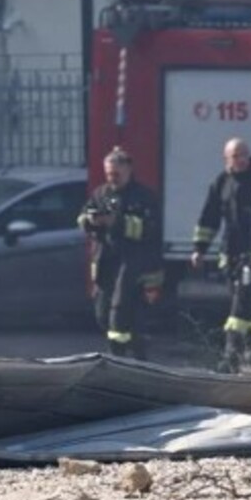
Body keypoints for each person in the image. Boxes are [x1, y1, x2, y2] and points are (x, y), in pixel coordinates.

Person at [190, 138, 251, 373]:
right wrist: (199, 247)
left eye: (243, 155)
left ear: (250, 156)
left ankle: (232, 355)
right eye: (235, 156)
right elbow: (209, 218)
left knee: (244, 303)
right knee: (249, 306)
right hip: (231, 253)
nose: (240, 160)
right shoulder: (221, 183)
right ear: (226, 159)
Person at [78, 147, 164, 359]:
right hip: (106, 263)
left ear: (128, 170)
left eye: (116, 174)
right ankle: (133, 351)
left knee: (119, 314)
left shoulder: (143, 197)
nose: (112, 178)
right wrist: (90, 220)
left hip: (132, 264)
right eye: (108, 174)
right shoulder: (101, 194)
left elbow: (149, 230)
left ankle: (119, 358)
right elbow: (81, 218)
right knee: (102, 314)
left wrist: (114, 221)